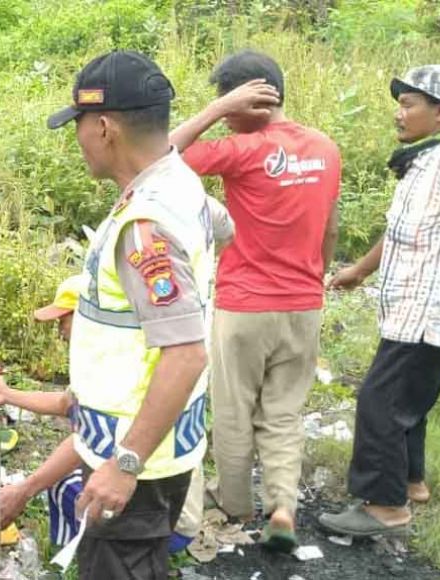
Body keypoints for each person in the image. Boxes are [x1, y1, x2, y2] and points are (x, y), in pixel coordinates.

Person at [48, 51, 220, 579]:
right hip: (161, 444)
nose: (77, 139)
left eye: (78, 125)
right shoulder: (179, 186)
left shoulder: (145, 225)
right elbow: (226, 230)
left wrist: (125, 464)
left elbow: (185, 354)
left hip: (135, 460)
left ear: (104, 128)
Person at [169, 50, 342, 551]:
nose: (225, 113)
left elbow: (161, 158)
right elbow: (331, 227)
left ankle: (237, 503)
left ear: (249, 98)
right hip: (304, 304)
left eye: (227, 100)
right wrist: (315, 279)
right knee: (284, 412)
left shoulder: (240, 150)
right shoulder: (325, 148)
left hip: (245, 305)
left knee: (234, 409)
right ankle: (283, 506)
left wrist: (215, 112)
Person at [320, 65, 440, 537]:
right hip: (410, 309)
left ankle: (385, 507)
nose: (399, 113)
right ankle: (411, 483)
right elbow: (401, 232)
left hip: (432, 311)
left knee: (380, 402)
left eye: (408, 104)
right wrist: (359, 270)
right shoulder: (425, 159)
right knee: (408, 399)